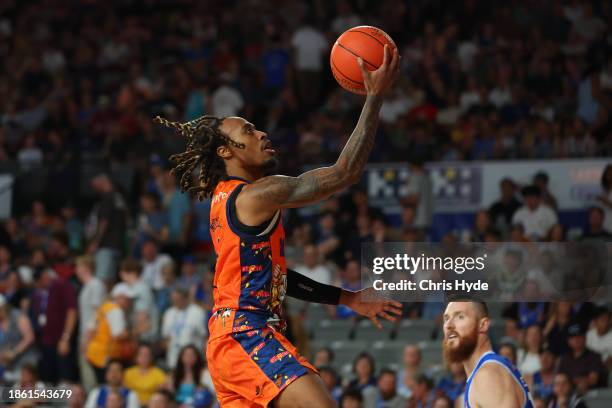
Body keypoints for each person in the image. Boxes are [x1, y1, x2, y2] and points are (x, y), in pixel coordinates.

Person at [155, 44, 401, 408]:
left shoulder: (224, 200)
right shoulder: (257, 195)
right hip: (246, 334)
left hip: (228, 340)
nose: (261, 133)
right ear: (226, 152)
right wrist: (374, 98)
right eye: (249, 130)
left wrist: (347, 298)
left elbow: (279, 277)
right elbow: (343, 173)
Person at [442, 298, 534, 407]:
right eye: (446, 318)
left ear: (483, 325)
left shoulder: (487, 375)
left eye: (460, 316)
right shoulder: (487, 370)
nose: (449, 325)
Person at [30, 267, 78, 384]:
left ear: (46, 276)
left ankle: (64, 402)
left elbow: (72, 311)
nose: (39, 285)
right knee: (47, 379)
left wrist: (66, 338)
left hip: (61, 340)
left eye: (40, 281)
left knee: (64, 378)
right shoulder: (39, 293)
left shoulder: (62, 285)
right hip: (45, 342)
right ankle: (50, 401)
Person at [86, 283, 135, 383]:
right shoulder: (116, 310)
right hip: (106, 356)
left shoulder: (104, 307)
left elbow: (89, 330)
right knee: (108, 384)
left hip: (94, 352)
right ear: (118, 297)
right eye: (126, 298)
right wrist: (135, 332)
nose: (129, 302)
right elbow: (118, 335)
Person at [88, 174, 128, 285]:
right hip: (118, 244)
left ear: (102, 181)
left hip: (106, 244)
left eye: (95, 185)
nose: (94, 188)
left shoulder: (107, 198)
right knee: (110, 281)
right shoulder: (119, 197)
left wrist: (96, 242)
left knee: (102, 280)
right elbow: (126, 218)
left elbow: (104, 222)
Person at [75, 255, 107, 390]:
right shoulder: (87, 286)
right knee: (86, 373)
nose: (76, 270)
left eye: (78, 267)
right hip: (86, 333)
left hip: (92, 335)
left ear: (85, 268)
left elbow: (97, 313)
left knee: (90, 373)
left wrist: (88, 339)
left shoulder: (95, 285)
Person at [161, 286, 207, 369]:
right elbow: (166, 337)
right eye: (173, 300)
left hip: (193, 359)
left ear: (186, 298)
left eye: (178, 299)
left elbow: (204, 337)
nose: (175, 302)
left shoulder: (198, 312)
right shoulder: (168, 313)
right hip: (174, 359)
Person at [558, 321, 606, 394]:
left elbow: (593, 379)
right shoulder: (565, 358)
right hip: (567, 391)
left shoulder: (594, 356)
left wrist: (574, 381)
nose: (576, 339)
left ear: (585, 338)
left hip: (590, 393)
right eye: (573, 337)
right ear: (569, 341)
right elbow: (560, 377)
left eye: (579, 336)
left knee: (582, 385)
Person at [0, 294, 36, 382]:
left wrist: (14, 352)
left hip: (25, 361)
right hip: (7, 365)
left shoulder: (18, 316)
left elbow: (29, 337)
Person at [596, 164, 612, 234]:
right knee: (607, 244)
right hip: (605, 225)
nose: (609, 175)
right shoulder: (604, 190)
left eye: (611, 173)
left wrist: (606, 202)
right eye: (607, 173)